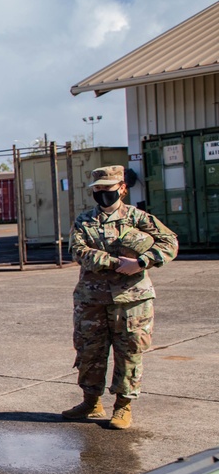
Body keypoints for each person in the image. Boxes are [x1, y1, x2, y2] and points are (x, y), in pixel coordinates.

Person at [63, 165, 178, 430]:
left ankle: (123, 407)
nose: (103, 194)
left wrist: (141, 261)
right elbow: (78, 250)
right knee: (89, 351)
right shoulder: (84, 221)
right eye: (98, 189)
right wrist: (116, 263)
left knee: (129, 353)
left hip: (133, 300)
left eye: (108, 188)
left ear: (122, 189)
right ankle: (91, 402)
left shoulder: (140, 219)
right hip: (91, 300)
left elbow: (170, 242)